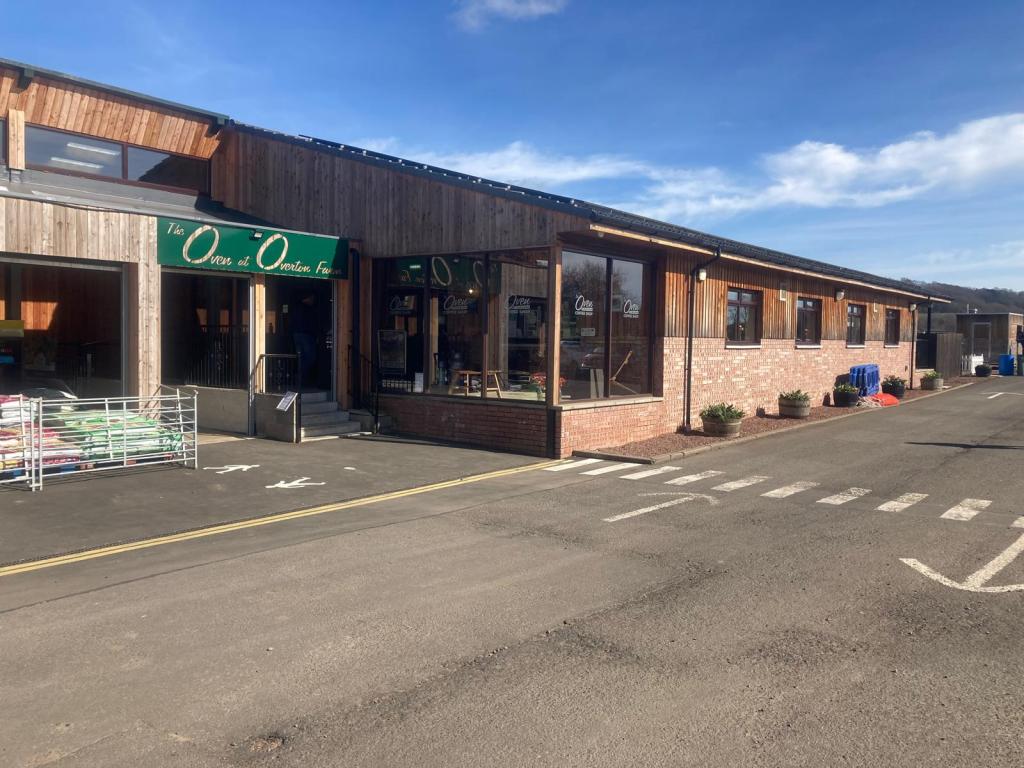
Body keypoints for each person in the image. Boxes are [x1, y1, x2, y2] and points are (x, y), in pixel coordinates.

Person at [291, 292, 318, 387]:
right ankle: (301, 377)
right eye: (312, 299)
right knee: (310, 358)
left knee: (300, 358)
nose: (313, 301)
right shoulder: (307, 309)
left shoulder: (296, 308)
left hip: (296, 335)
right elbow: (311, 324)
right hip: (306, 336)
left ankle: (300, 379)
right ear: (309, 298)